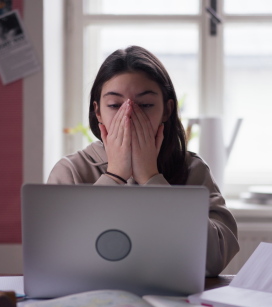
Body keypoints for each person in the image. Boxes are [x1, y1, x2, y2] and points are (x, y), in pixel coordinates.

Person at [48, 45, 239, 277]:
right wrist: (115, 175)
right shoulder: (71, 171)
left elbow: (214, 261)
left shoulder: (192, 170)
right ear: (98, 112)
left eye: (146, 105)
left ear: (167, 110)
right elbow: (58, 258)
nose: (128, 116)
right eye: (115, 105)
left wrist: (151, 177)